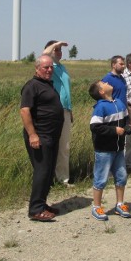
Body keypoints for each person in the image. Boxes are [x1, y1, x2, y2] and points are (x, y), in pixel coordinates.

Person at [20, 54, 65, 221]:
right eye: (46, 67)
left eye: (51, 67)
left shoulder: (47, 84)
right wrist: (32, 135)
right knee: (42, 171)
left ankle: (42, 203)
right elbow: (25, 111)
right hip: (40, 136)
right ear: (37, 68)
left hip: (52, 136)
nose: (49, 70)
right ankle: (35, 210)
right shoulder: (32, 86)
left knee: (48, 172)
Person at [88, 80, 131, 221]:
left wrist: (128, 128)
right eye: (103, 83)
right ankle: (96, 206)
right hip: (104, 150)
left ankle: (120, 204)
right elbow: (95, 127)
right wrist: (114, 130)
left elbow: (126, 120)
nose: (107, 82)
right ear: (101, 91)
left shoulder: (119, 103)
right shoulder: (100, 107)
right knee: (101, 178)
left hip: (119, 148)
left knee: (121, 176)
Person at [42, 40, 73, 186]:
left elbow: (66, 90)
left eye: (60, 50)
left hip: (65, 110)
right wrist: (57, 43)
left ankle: (63, 178)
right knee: (50, 145)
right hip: (53, 111)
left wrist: (70, 110)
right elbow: (44, 54)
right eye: (56, 49)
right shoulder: (49, 67)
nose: (59, 52)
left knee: (64, 146)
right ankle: (47, 178)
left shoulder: (62, 67)